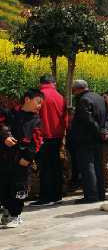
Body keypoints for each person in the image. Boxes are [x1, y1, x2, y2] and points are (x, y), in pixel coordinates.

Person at [0, 89, 43, 227]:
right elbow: (2, 125)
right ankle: (6, 212)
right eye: (38, 102)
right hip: (6, 157)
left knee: (19, 186)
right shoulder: (11, 113)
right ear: (27, 100)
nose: (39, 106)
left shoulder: (36, 120)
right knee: (4, 185)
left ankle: (15, 215)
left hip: (22, 160)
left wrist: (28, 158)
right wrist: (5, 136)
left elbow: (37, 141)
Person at [68, 80, 107, 204]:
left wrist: (97, 131)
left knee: (87, 167)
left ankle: (91, 195)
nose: (73, 94)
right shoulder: (99, 98)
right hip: (97, 139)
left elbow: (87, 120)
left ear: (78, 89)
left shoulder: (83, 100)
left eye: (73, 91)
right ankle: (100, 194)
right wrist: (101, 132)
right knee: (98, 166)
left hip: (86, 139)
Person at [32, 75, 66, 206]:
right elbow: (65, 118)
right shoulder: (60, 96)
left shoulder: (39, 96)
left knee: (45, 168)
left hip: (43, 137)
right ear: (53, 83)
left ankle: (45, 197)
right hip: (57, 136)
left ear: (41, 83)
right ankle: (57, 195)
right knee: (56, 166)